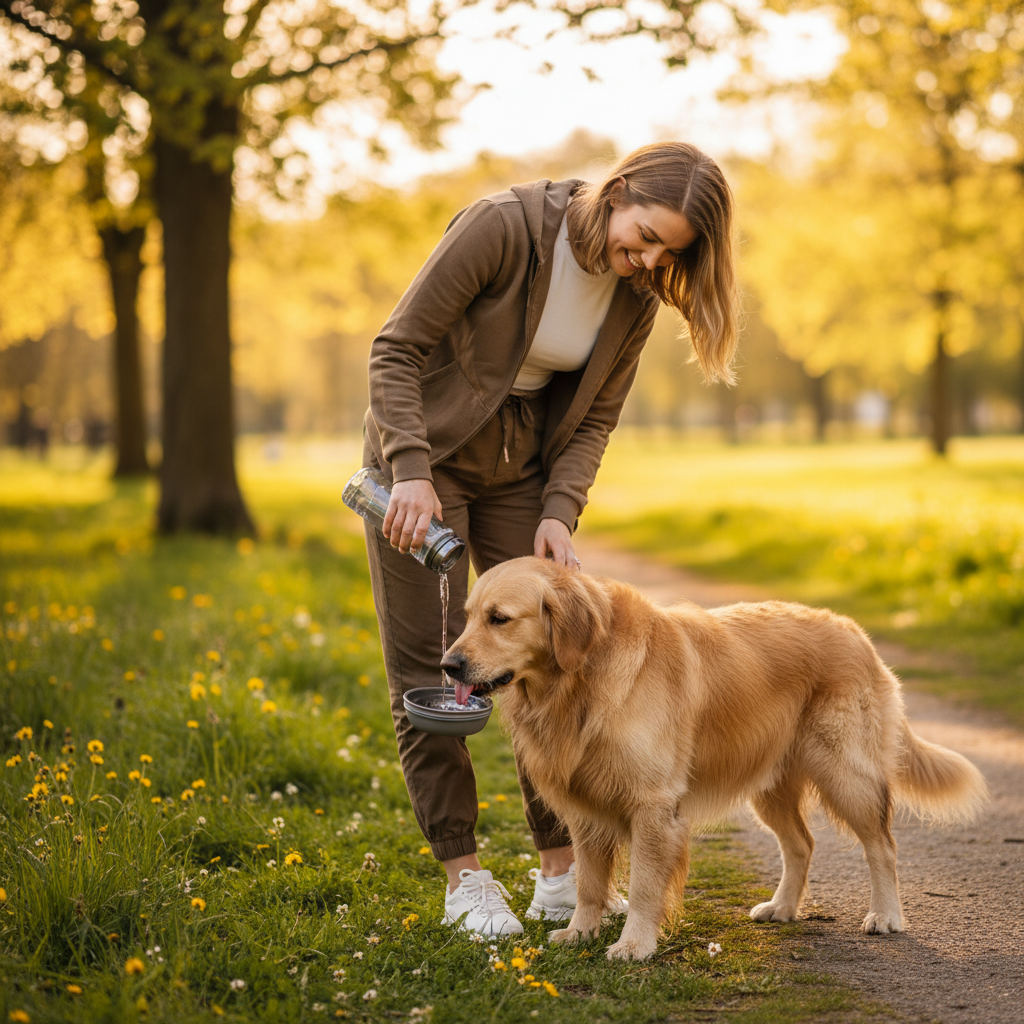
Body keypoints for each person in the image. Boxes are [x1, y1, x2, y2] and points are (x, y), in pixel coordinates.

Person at [360, 141, 740, 935]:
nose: (644, 260)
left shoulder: (637, 295)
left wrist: (557, 512)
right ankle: (464, 875)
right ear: (619, 188)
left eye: (666, 252)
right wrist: (409, 470)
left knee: (550, 664)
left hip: (521, 468)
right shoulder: (503, 228)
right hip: (424, 459)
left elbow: (594, 417)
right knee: (436, 672)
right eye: (643, 235)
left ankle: (561, 871)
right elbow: (396, 349)